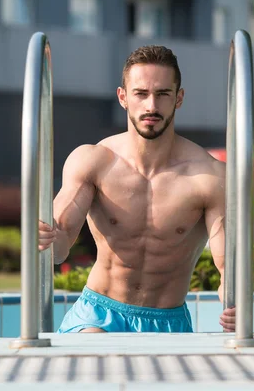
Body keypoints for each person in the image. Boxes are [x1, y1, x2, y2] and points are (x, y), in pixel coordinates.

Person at [38, 45, 236, 333]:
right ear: (123, 97)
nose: (151, 106)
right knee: (95, 352)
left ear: (178, 98)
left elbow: (227, 264)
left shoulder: (210, 176)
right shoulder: (94, 161)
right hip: (98, 314)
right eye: (141, 94)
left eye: (163, 94)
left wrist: (233, 301)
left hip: (168, 321)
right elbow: (59, 247)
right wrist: (45, 236)